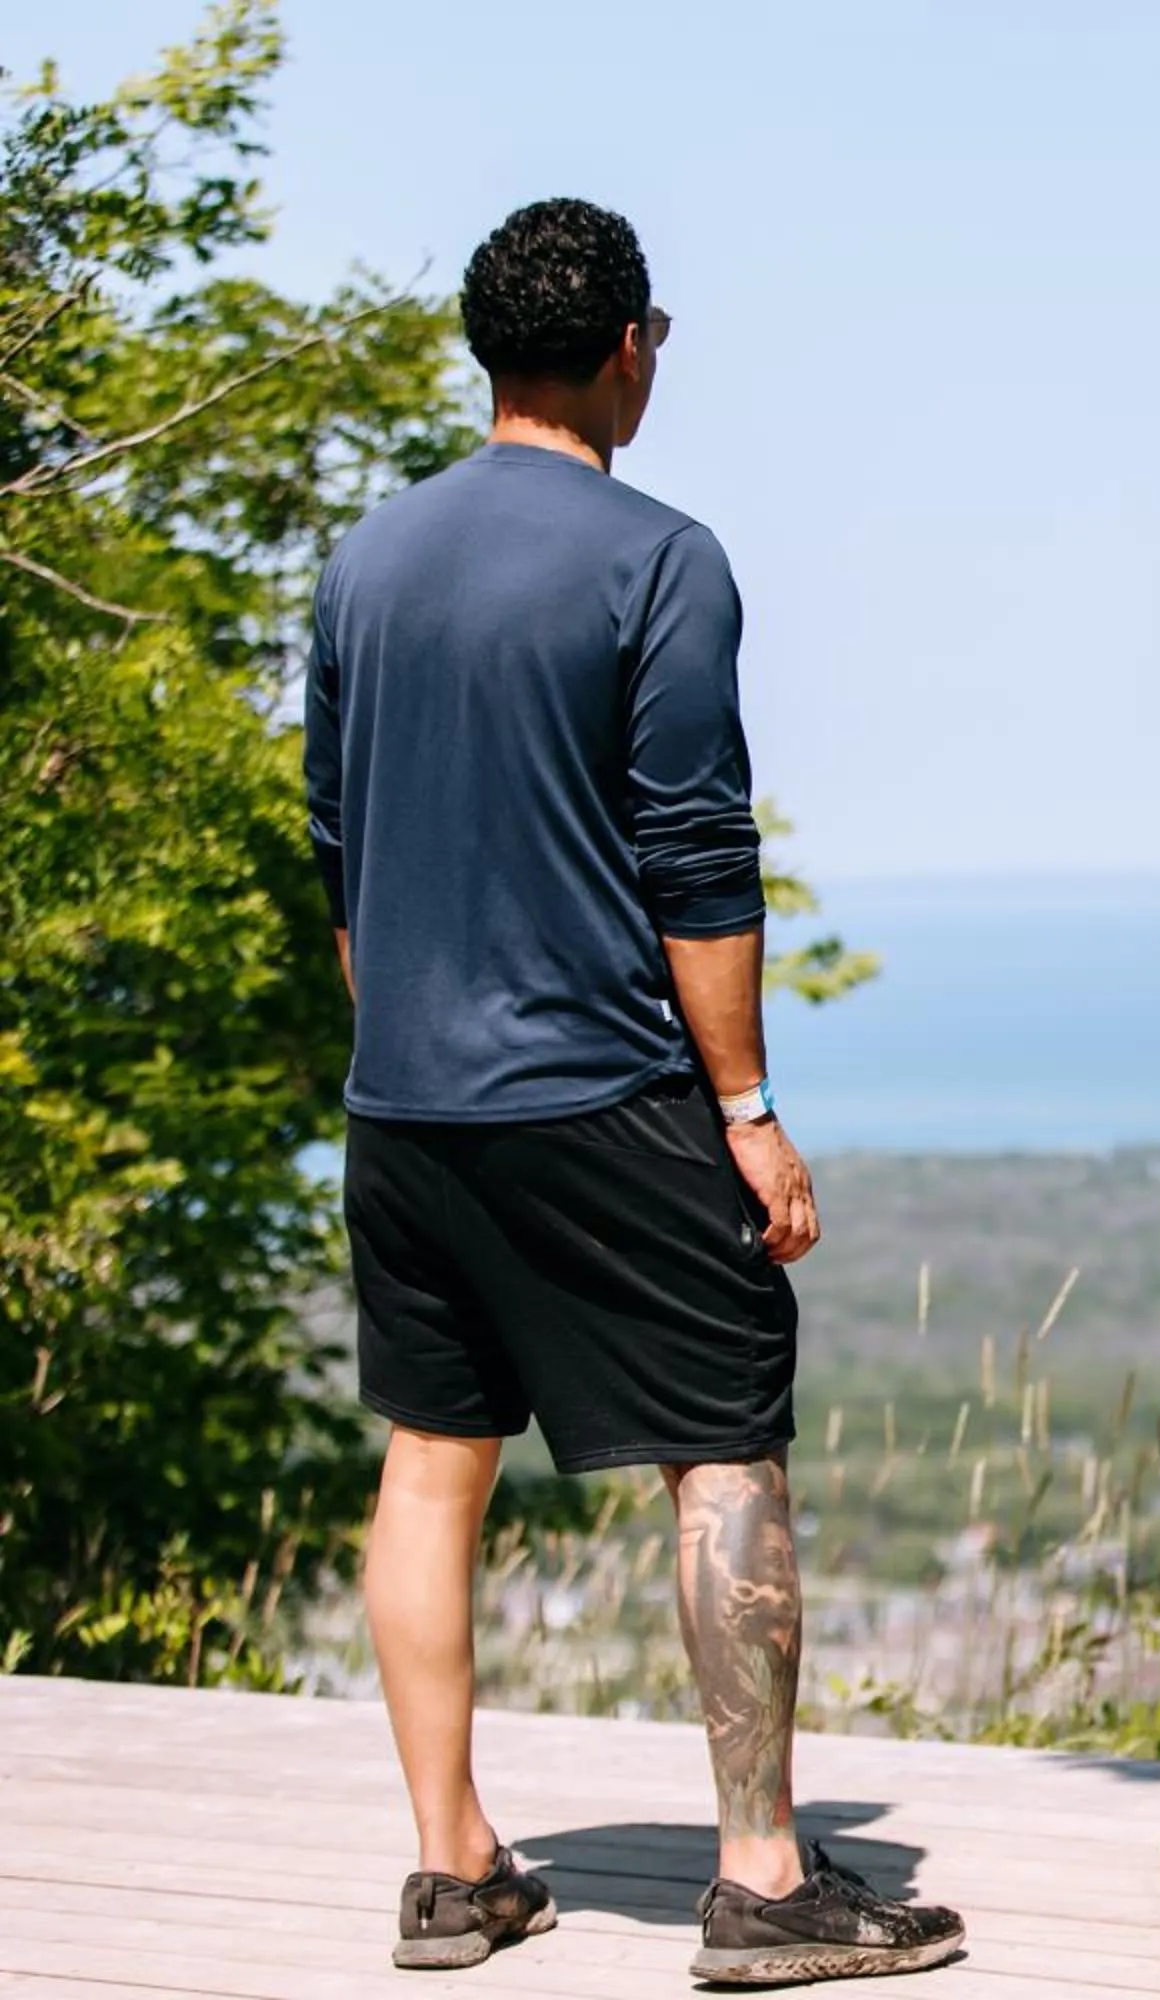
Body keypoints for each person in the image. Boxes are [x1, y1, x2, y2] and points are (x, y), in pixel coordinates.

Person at [303, 198, 964, 1987]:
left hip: (407, 1100)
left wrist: (411, 1048)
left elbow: (343, 861)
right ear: (626, 350)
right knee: (722, 1448)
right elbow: (695, 855)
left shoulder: (364, 563)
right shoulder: (663, 557)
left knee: (435, 1463)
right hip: (602, 1089)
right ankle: (762, 1882)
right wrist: (743, 1109)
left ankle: (454, 1871)